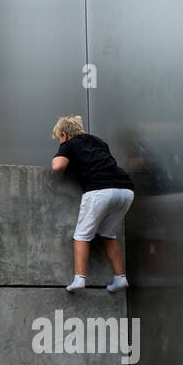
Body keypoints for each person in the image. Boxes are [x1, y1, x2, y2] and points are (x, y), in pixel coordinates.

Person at [51, 115, 134, 293]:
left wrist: (62, 150)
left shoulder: (69, 144)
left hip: (99, 191)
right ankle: (120, 278)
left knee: (81, 236)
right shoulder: (98, 141)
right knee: (107, 233)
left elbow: (57, 166)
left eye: (59, 138)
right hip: (125, 190)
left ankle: (79, 279)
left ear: (64, 135)